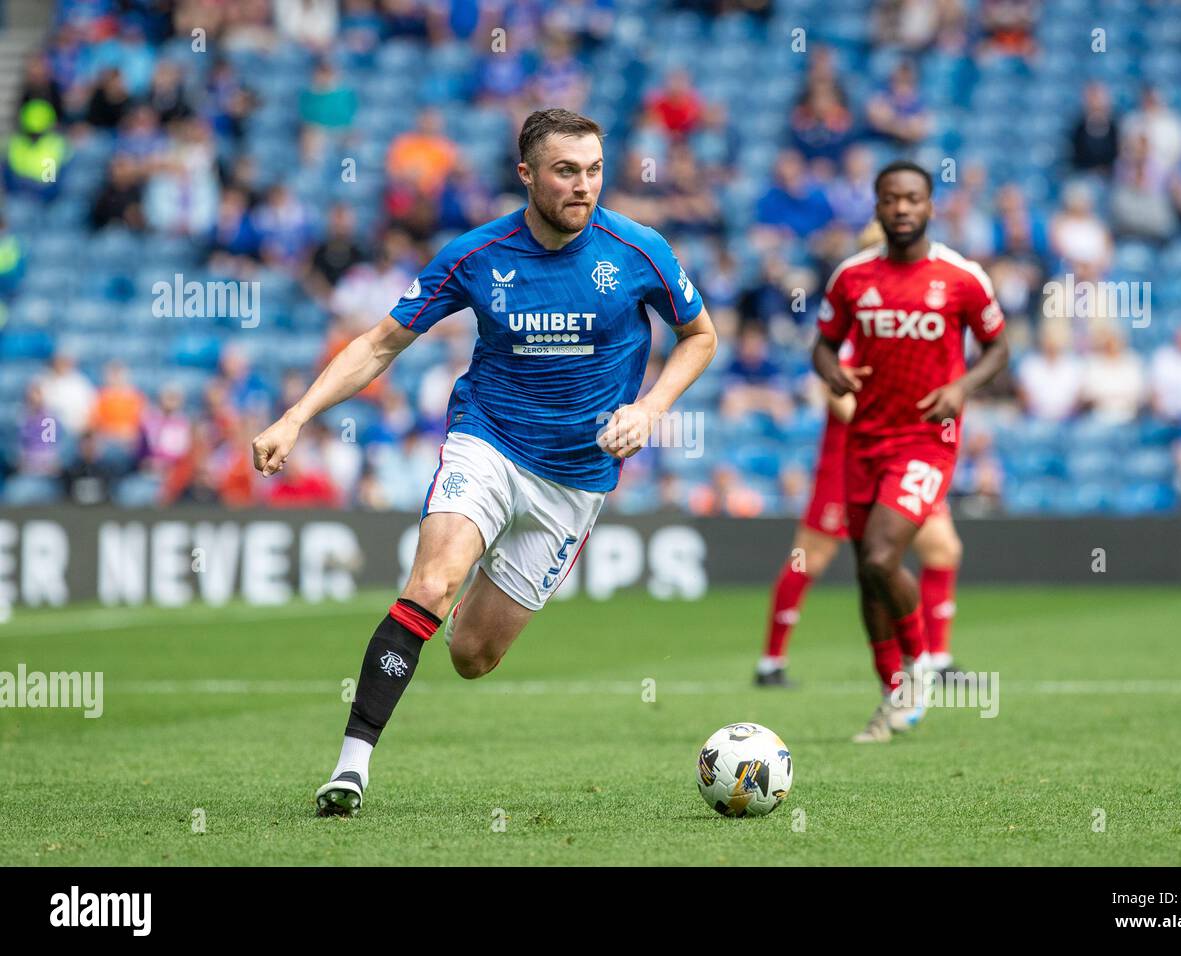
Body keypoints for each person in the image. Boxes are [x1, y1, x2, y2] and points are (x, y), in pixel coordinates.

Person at [251, 109, 717, 816]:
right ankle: (350, 769)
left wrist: (649, 410)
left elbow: (700, 336)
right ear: (526, 175)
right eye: (566, 171)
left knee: (472, 656)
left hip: (576, 478)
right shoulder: (477, 255)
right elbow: (380, 343)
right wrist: (295, 416)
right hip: (489, 441)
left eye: (593, 170)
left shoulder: (638, 249)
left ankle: (465, 601)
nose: (583, 185)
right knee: (432, 583)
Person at [812, 160, 1008, 743]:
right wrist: (835, 374)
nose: (901, 208)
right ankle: (892, 693)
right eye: (891, 199)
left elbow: (999, 347)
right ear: (876, 206)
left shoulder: (961, 277)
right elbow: (821, 346)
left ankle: (920, 666)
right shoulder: (850, 277)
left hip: (927, 439)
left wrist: (961, 387)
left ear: (930, 206)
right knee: (867, 574)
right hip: (865, 440)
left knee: (879, 557)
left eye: (913, 199)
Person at [755, 222, 967, 688]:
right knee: (809, 556)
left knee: (943, 547)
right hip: (853, 455)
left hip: (907, 455)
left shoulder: (904, 314)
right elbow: (836, 393)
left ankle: (936, 657)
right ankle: (771, 661)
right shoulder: (858, 313)